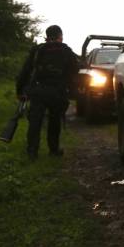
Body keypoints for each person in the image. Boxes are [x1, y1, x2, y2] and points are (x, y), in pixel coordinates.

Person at [16, 25, 79, 159]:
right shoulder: (66, 50)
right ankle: (54, 150)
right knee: (55, 120)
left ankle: (32, 152)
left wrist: (20, 90)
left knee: (35, 122)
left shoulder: (38, 49)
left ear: (47, 36)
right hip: (58, 92)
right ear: (60, 36)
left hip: (38, 90)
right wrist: (72, 91)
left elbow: (25, 71)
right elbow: (74, 71)